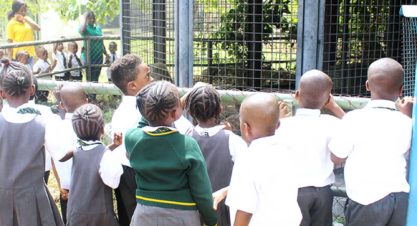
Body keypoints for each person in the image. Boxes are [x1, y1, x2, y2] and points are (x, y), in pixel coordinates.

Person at [329, 58, 413, 226]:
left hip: (366, 199)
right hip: (399, 199)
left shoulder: (353, 119)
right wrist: (408, 116)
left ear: (367, 85)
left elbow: (337, 157)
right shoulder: (407, 122)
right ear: (401, 90)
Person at [125, 81, 217, 226]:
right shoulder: (187, 145)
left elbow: (144, 121)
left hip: (144, 213)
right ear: (174, 113)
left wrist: (161, 107)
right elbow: (202, 191)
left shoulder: (131, 138)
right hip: (181, 215)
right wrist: (212, 221)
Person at [0, 59, 70, 226]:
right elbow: (60, 155)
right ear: (32, 90)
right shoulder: (44, 122)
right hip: (33, 198)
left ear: (2, 93)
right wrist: (76, 149)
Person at [275, 69, 343, 226]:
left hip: (294, 191)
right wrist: (334, 107)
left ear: (297, 95)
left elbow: (269, 143)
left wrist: (278, 121)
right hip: (323, 192)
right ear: (327, 100)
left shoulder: (284, 125)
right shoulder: (332, 123)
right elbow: (351, 126)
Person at [226, 93, 301, 226]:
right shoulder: (289, 151)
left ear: (245, 128)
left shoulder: (247, 160)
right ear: (278, 125)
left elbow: (245, 209)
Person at [185, 84, 247, 226]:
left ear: (190, 111)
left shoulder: (185, 138)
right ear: (220, 109)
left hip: (192, 211)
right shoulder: (233, 140)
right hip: (223, 212)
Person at [109, 54, 154, 226]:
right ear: (133, 85)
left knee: (127, 216)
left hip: (124, 173)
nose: (153, 79)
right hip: (138, 173)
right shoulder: (142, 109)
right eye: (148, 76)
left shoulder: (121, 110)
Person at [66, 103, 123, 226]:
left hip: (75, 213)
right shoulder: (105, 155)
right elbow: (113, 182)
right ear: (102, 129)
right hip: (98, 217)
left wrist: (112, 146)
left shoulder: (76, 149)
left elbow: (92, 154)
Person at [51, 83, 88, 224]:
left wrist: (61, 185)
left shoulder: (55, 128)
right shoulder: (92, 125)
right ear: (87, 101)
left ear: (61, 105)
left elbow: (55, 159)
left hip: (65, 189)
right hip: (88, 189)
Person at [79, 11, 108, 83]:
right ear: (86, 19)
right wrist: (84, 20)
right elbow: (80, 30)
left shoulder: (98, 28)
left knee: (95, 78)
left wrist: (106, 53)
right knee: (89, 79)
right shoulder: (85, 29)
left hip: (99, 57)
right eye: (89, 18)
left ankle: (93, 94)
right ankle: (90, 94)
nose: (92, 20)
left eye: (93, 18)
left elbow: (101, 42)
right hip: (89, 57)